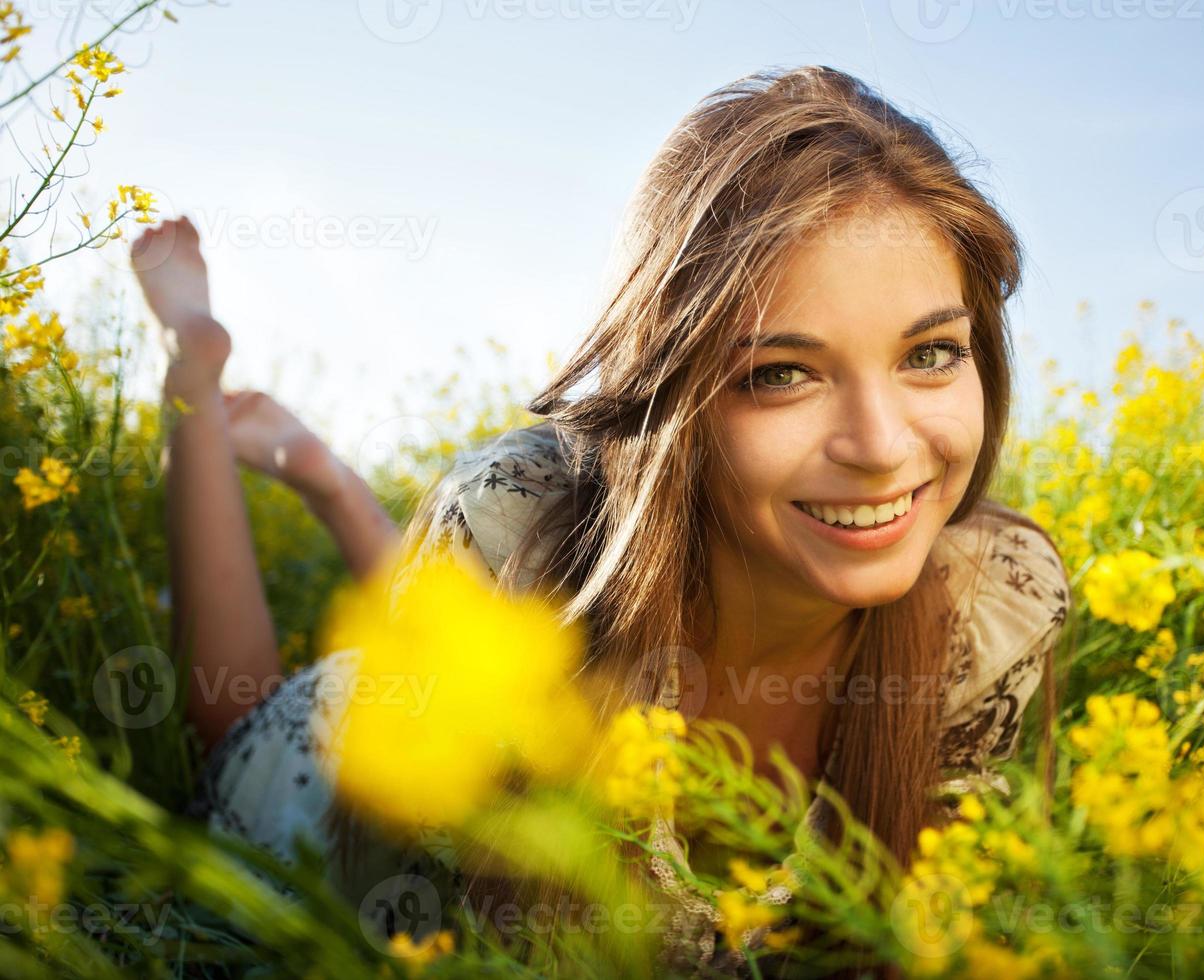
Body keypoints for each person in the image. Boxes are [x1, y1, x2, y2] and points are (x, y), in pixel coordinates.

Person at [139, 64, 1073, 975]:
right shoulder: (509, 523)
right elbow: (409, 934)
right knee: (235, 719)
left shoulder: (995, 610)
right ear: (669, 398)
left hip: (493, 628)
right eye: (781, 373)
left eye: (932, 354)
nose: (880, 447)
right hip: (340, 767)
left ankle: (324, 477)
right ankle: (196, 377)